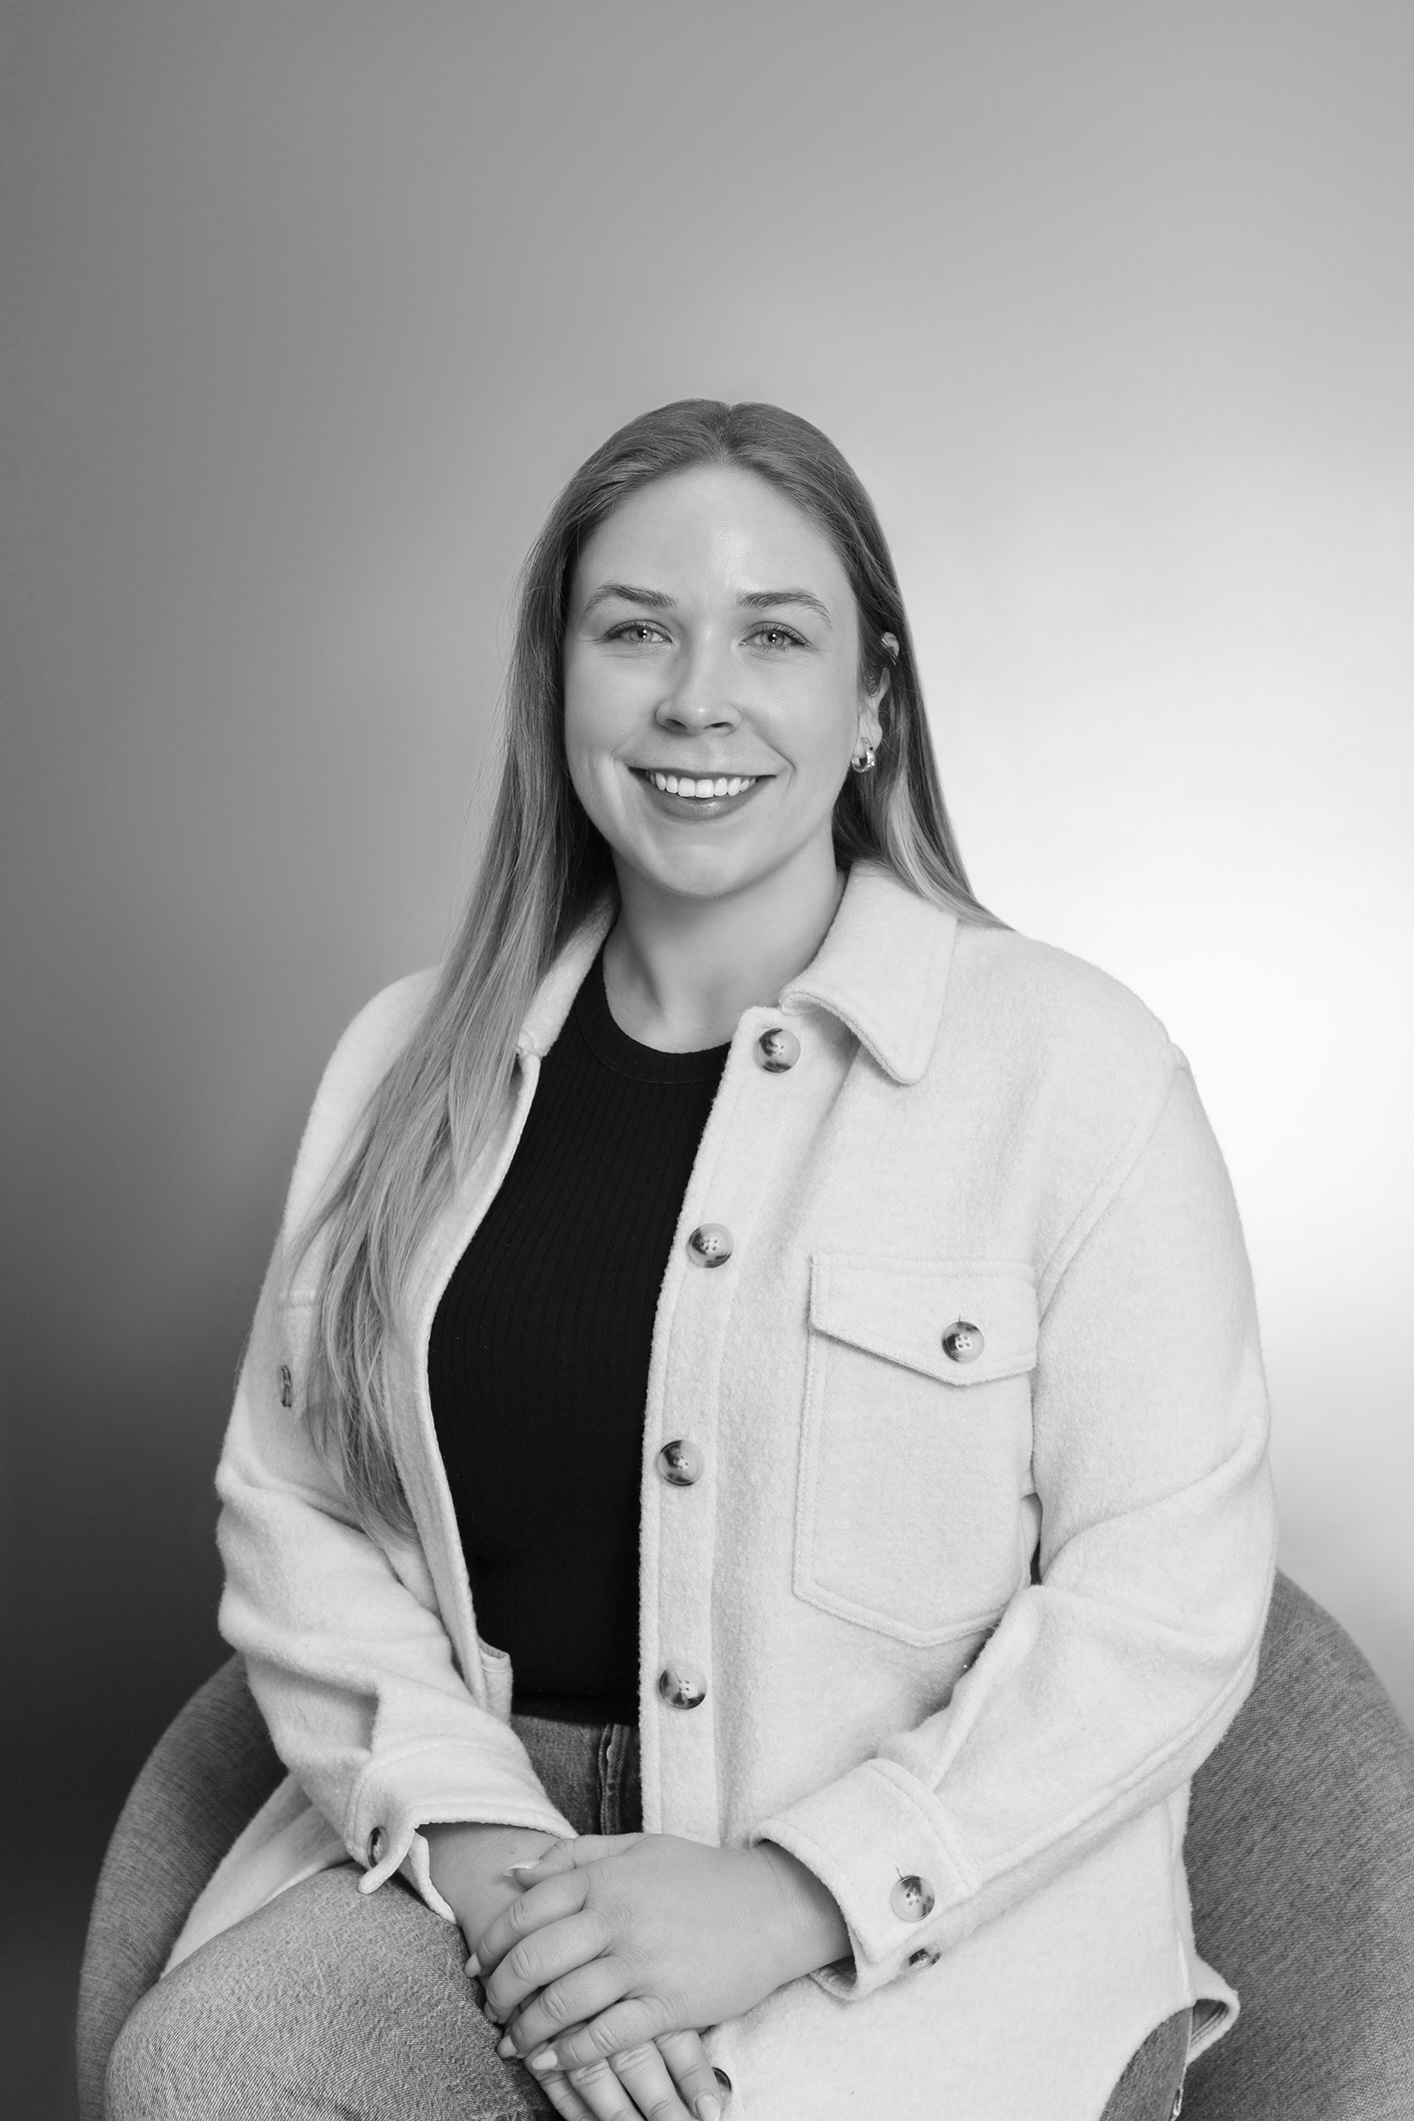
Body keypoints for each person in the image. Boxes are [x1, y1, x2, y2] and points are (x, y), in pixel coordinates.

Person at [105, 399, 1277, 2121]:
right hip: (472, 1852)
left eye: (772, 635)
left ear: (872, 698)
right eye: (634, 629)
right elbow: (295, 1515)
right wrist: (508, 1874)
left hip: (927, 1904)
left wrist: (792, 1892)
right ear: (558, 683)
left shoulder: (1074, 1072)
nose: (693, 697)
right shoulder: (395, 1058)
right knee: (210, 2076)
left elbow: (1163, 1603)